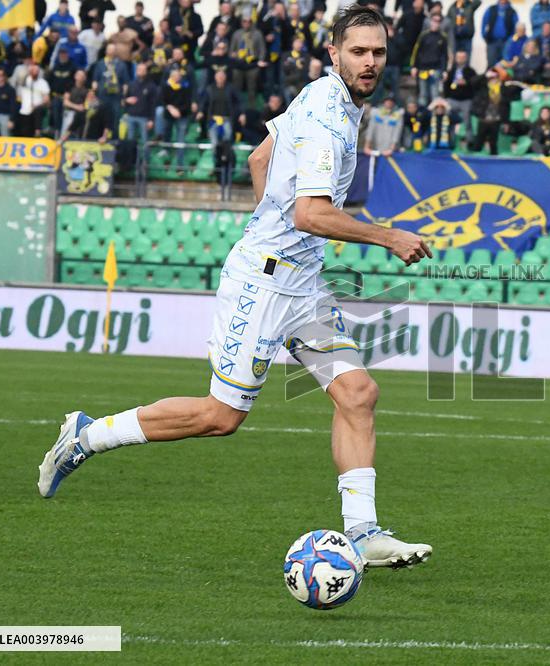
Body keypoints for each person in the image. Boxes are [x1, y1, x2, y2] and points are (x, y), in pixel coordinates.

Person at [38, 5, 435, 571]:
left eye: (377, 52)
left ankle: (363, 532)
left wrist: (271, 222)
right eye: (358, 52)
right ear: (334, 53)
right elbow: (311, 214)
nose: (369, 62)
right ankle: (88, 435)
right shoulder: (328, 116)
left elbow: (260, 157)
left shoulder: (327, 97)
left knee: (358, 394)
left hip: (302, 283)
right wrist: (387, 236)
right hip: (265, 283)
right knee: (221, 417)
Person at [158, 68, 195, 169]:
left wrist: (178, 110)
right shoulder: (166, 86)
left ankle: (180, 163)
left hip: (182, 115)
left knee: (181, 138)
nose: (176, 78)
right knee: (167, 131)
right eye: (174, 76)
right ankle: (165, 149)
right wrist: (170, 108)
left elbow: (188, 102)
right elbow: (162, 100)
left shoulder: (185, 86)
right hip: (169, 114)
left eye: (178, 76)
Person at [410, 13, 448, 107]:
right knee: (423, 94)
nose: (436, 23)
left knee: (435, 94)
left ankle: (433, 119)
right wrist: (414, 66)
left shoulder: (443, 37)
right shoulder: (423, 35)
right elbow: (416, 51)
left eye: (438, 21)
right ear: (431, 21)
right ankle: (422, 118)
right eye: (434, 20)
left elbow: (444, 55)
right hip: (423, 68)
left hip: (436, 69)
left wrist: (444, 70)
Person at [197, 69, 242, 147]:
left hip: (227, 119)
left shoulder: (231, 88)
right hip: (213, 119)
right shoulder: (210, 89)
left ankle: (226, 157)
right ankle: (216, 158)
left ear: (225, 77)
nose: (220, 78)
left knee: (227, 140)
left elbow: (239, 101)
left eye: (222, 76)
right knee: (214, 143)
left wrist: (242, 113)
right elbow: (204, 102)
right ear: (215, 77)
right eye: (219, 76)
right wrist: (200, 111)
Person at [91, 44, 129, 125]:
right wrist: (94, 93)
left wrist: (123, 97)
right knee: (101, 117)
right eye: (110, 49)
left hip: (116, 96)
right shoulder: (100, 64)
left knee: (115, 117)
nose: (111, 51)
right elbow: (95, 80)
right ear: (106, 51)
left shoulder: (121, 65)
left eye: (113, 49)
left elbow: (125, 83)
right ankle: (101, 136)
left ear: (116, 52)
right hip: (102, 95)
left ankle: (114, 136)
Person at [123, 61, 159, 146]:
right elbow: (124, 100)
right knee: (130, 141)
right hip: (131, 116)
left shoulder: (151, 86)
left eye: (143, 70)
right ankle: (131, 159)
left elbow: (153, 104)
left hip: (144, 117)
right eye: (139, 69)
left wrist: (151, 119)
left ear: (146, 71)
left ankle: (145, 159)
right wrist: (126, 100)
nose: (141, 71)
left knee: (145, 142)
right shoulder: (131, 84)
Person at [443, 49, 475, 138]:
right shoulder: (451, 71)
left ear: (466, 58)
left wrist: (466, 83)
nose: (460, 59)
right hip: (452, 99)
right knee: (449, 121)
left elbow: (475, 84)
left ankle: (470, 142)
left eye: (462, 57)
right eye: (459, 57)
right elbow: (446, 84)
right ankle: (450, 141)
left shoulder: (470, 71)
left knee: (467, 121)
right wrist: (447, 98)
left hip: (466, 100)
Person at [15, 61, 49, 137]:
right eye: (33, 70)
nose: (35, 72)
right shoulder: (26, 80)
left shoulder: (43, 83)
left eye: (36, 71)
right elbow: (20, 81)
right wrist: (29, 71)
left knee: (38, 111)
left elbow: (46, 99)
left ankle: (38, 132)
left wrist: (37, 105)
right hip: (24, 110)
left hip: (36, 110)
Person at [481, 0, 516, 67]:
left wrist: (511, 40)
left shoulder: (512, 11)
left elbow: (515, 26)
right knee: (491, 64)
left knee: (504, 64)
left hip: (506, 42)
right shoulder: (491, 9)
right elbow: (484, 22)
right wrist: (484, 35)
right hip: (492, 42)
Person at [60, 69, 89, 138]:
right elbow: (65, 102)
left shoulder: (87, 89)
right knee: (65, 132)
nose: (80, 77)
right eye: (79, 75)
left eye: (82, 75)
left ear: (85, 78)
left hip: (82, 115)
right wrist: (77, 107)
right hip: (69, 112)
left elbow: (88, 102)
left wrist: (83, 107)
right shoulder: (69, 86)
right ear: (75, 76)